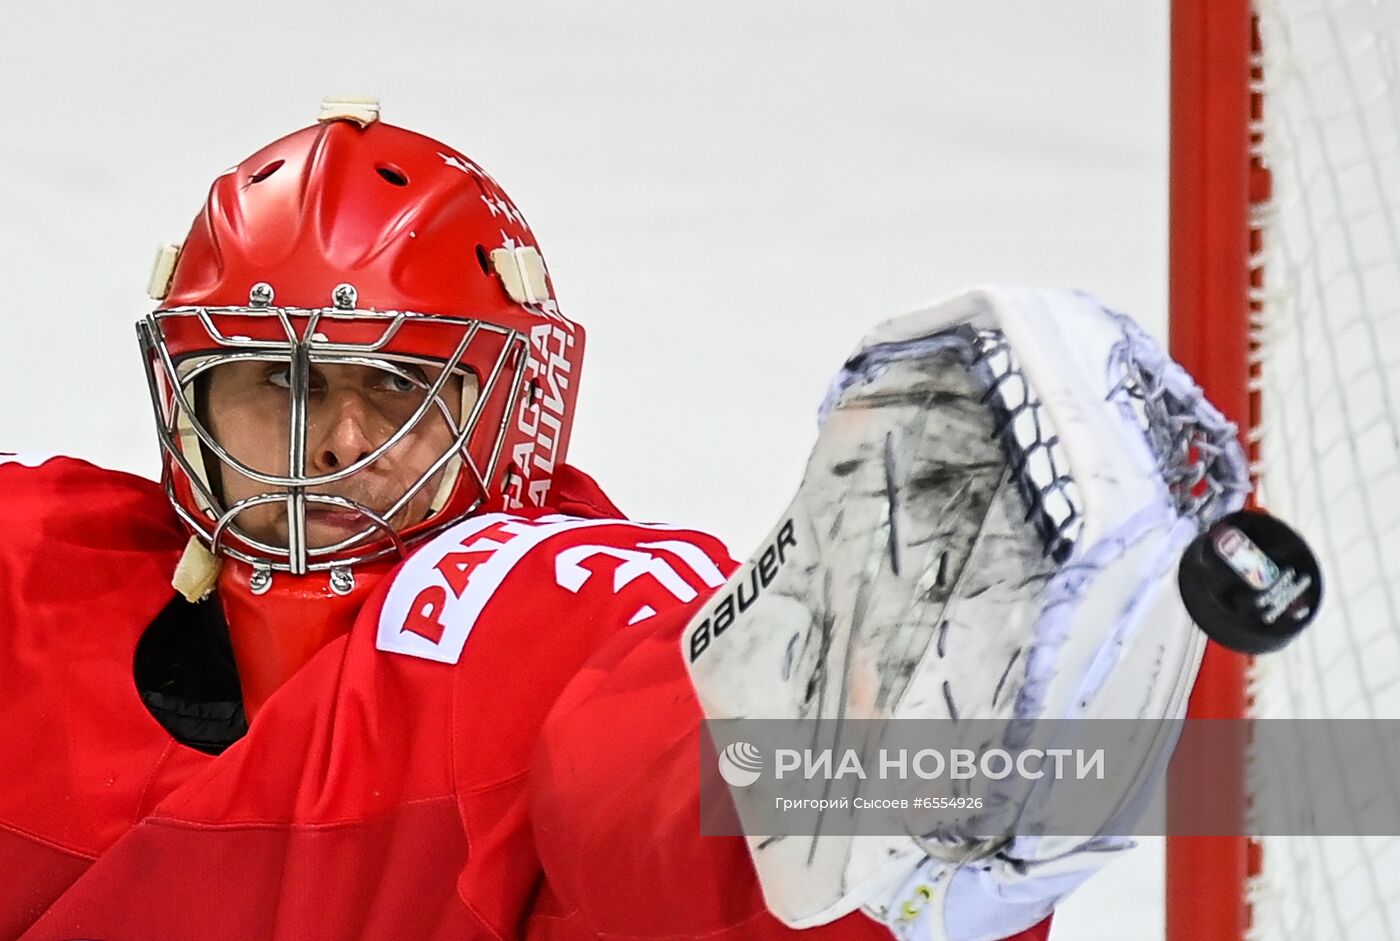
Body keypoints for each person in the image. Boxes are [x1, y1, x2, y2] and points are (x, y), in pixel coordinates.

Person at [0, 98, 1242, 941]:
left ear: (511, 406)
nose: (332, 439)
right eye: (276, 379)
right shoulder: (50, 563)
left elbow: (650, 806)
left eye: (396, 386)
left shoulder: (552, 594)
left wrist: (889, 765)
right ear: (186, 391)